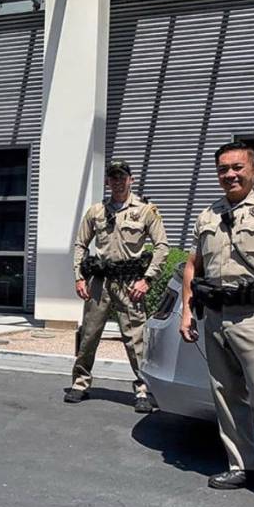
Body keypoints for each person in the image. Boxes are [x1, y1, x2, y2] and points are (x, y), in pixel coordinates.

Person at [180, 141, 254, 507]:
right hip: (215, 316)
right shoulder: (208, 215)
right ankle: (242, 464)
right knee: (227, 393)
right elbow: (191, 266)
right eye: (223, 169)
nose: (230, 174)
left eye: (237, 167)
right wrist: (187, 310)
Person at [66, 159, 169, 412]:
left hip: (129, 283)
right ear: (107, 181)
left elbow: (162, 247)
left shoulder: (146, 211)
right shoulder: (96, 212)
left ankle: (143, 389)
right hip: (99, 282)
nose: (117, 181)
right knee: (89, 335)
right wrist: (79, 277)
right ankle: (80, 383)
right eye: (113, 177)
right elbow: (80, 244)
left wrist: (147, 279)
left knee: (136, 340)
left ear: (130, 179)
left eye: (122, 176)